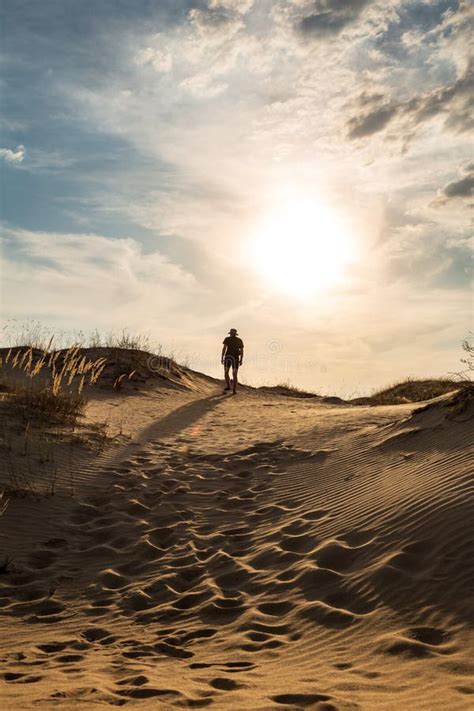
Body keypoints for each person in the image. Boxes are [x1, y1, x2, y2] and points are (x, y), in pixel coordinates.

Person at [221, 328, 244, 394]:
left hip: (228, 357)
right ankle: (233, 390)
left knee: (226, 372)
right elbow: (242, 351)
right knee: (234, 374)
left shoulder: (227, 339)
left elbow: (224, 348)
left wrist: (222, 357)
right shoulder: (239, 340)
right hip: (235, 358)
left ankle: (229, 386)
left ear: (230, 333)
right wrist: (241, 359)